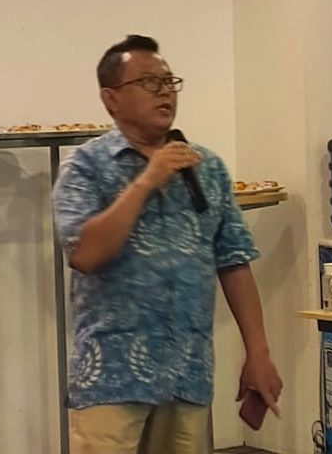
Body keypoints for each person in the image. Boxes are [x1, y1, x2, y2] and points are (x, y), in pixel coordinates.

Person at [53, 35, 282, 454]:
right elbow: (85, 254)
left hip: (187, 372)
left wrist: (258, 352)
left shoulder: (206, 167)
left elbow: (233, 261)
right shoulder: (86, 166)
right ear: (110, 99)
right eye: (149, 82)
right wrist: (147, 181)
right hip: (112, 376)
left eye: (170, 81)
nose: (165, 92)